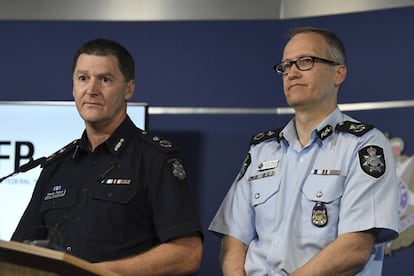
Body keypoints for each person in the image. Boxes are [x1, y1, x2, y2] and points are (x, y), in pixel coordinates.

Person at [208, 27, 399, 275]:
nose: (292, 73)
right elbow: (234, 237)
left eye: (305, 61)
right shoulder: (262, 150)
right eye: (286, 66)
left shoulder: (363, 145)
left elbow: (355, 247)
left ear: (338, 73)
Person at [12, 38, 203, 275]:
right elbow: (18, 252)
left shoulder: (155, 159)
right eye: (83, 78)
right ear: (73, 87)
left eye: (105, 79)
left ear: (129, 89)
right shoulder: (56, 166)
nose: (91, 90)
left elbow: (188, 254)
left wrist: (96, 273)